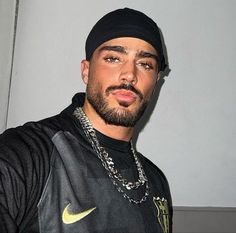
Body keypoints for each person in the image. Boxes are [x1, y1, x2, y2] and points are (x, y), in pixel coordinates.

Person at [0, 8, 172, 233]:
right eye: (113, 58)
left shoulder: (156, 180)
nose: (129, 74)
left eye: (145, 64)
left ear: (156, 80)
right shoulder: (27, 153)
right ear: (86, 70)